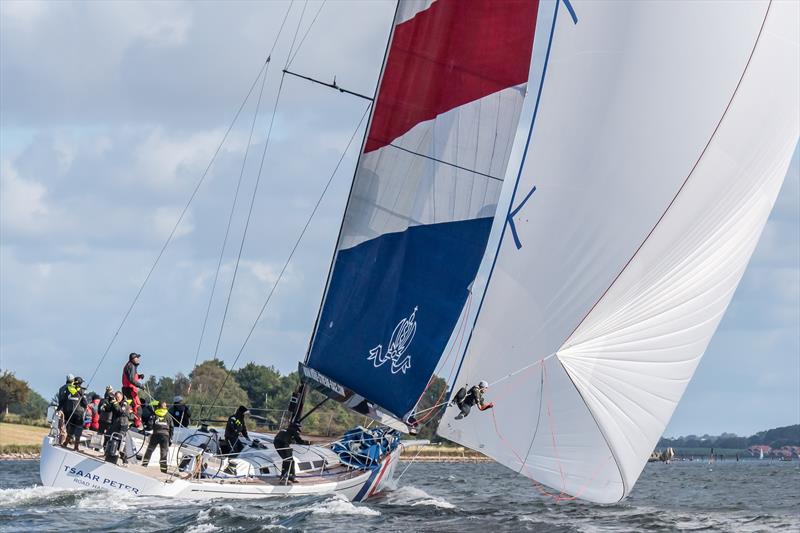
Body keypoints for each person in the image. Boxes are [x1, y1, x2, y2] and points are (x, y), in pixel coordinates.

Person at [142, 401, 173, 473]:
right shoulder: (168, 415)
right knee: (163, 453)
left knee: (149, 450)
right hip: (165, 436)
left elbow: (150, 425)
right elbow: (172, 428)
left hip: (155, 434)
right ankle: (163, 470)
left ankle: (144, 465)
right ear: (165, 407)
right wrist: (170, 439)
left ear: (158, 406)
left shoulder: (154, 413)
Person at [59, 377, 88, 451]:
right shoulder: (82, 390)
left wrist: (59, 409)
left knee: (71, 428)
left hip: (69, 412)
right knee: (78, 429)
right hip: (79, 413)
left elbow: (63, 400)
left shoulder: (69, 389)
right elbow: (85, 403)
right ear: (80, 383)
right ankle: (76, 447)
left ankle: (65, 443)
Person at [105, 391, 134, 465]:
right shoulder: (116, 402)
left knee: (120, 441)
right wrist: (108, 402)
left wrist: (115, 403)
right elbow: (108, 409)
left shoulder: (125, 403)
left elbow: (120, 410)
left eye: (118, 397)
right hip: (115, 424)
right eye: (116, 397)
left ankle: (125, 459)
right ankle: (109, 454)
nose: (117, 399)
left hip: (122, 424)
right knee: (109, 437)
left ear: (121, 396)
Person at [121, 352, 145, 428]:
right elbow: (131, 379)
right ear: (133, 359)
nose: (138, 359)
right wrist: (140, 386)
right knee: (138, 409)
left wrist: (139, 376)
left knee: (134, 407)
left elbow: (132, 377)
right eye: (137, 358)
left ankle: (133, 424)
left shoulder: (131, 365)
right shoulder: (131, 366)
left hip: (128, 389)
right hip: (129, 389)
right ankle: (136, 426)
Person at [55, 374, 74, 446]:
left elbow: (60, 399)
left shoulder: (61, 388)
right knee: (69, 426)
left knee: (62, 427)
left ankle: (61, 442)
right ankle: (68, 441)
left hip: (61, 409)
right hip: (69, 410)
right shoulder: (72, 388)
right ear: (72, 380)